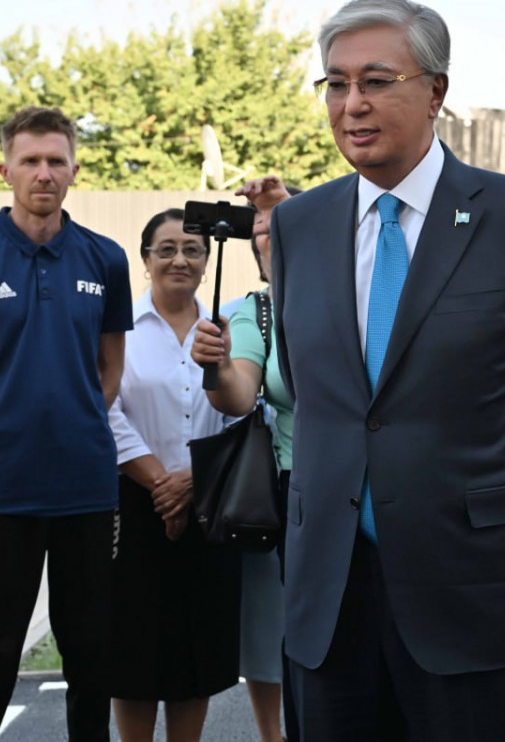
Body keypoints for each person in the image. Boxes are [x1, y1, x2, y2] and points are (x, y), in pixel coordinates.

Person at [268, 0, 505, 742]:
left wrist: (481, 500)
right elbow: (319, 397)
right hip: (331, 604)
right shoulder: (298, 225)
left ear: (436, 91)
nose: (352, 103)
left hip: (477, 595)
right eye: (336, 83)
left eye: (376, 81)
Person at [0, 106, 132, 742]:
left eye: (55, 161)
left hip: (87, 488)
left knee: (92, 653)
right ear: (5, 170)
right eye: (30, 161)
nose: (44, 173)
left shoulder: (106, 257)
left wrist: (72, 423)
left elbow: (110, 370)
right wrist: (1, 444)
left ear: (74, 169)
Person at [107, 209, 238, 742]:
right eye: (166, 249)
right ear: (146, 260)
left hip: (210, 503)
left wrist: (193, 480)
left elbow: (242, 412)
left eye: (192, 250)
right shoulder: (120, 328)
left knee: (197, 649)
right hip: (134, 504)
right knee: (133, 650)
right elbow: (106, 409)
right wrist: (163, 483)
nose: (179, 259)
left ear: (206, 262)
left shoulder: (224, 329)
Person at [193, 175, 295, 742]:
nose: (263, 239)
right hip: (289, 489)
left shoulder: (356, 295)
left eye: (275, 226)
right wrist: (219, 365)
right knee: (275, 626)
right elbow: (236, 397)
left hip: (371, 486)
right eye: (257, 231)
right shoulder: (255, 312)